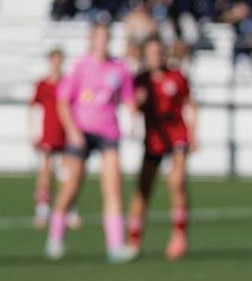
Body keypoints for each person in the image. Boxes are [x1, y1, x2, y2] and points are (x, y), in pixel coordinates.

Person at [45, 20, 136, 263]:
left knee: (113, 187)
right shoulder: (80, 67)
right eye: (99, 37)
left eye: (107, 37)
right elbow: (63, 101)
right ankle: (55, 237)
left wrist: (132, 121)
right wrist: (72, 131)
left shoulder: (119, 68)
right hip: (82, 132)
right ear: (91, 39)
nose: (103, 42)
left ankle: (115, 245)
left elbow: (128, 99)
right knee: (72, 186)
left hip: (108, 133)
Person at [125, 37, 196, 261]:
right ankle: (134, 241)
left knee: (176, 182)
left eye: (159, 52)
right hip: (154, 139)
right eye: (151, 53)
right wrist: (137, 102)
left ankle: (179, 236)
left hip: (177, 136)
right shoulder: (140, 80)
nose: (156, 57)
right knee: (143, 189)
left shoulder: (177, 77)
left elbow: (190, 104)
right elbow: (131, 108)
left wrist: (194, 133)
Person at [28, 48, 80, 231]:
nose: (56, 63)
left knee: (66, 174)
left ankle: (69, 210)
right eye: (54, 59)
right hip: (48, 133)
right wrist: (33, 133)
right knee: (45, 172)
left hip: (65, 133)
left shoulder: (68, 83)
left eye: (59, 59)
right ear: (50, 61)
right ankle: (42, 211)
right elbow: (34, 109)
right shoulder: (42, 85)